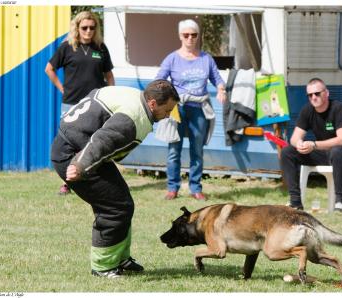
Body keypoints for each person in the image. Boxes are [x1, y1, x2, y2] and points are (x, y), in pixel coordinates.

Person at [50, 80, 180, 278]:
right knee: (115, 208)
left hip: (77, 146)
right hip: (76, 155)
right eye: (167, 110)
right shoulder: (133, 118)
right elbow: (103, 140)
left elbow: (95, 92)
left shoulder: (133, 95)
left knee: (123, 204)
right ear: (152, 103)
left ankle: (120, 258)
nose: (168, 115)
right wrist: (79, 165)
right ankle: (103, 267)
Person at [155, 19, 226, 201]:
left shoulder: (205, 59)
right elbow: (159, 79)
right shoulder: (172, 58)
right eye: (186, 35)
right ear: (180, 36)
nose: (190, 38)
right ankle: (172, 188)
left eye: (193, 35)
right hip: (177, 109)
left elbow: (217, 78)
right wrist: (163, 96)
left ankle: (195, 188)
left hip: (199, 108)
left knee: (197, 150)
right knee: (174, 150)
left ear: (198, 36)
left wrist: (221, 90)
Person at [45, 10, 114, 195]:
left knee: (94, 141)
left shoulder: (100, 48)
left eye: (92, 27)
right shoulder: (67, 47)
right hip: (72, 104)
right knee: (69, 144)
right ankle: (67, 182)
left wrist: (110, 94)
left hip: (96, 105)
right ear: (77, 27)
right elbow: (49, 69)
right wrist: (62, 89)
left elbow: (109, 75)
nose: (88, 31)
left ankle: (92, 178)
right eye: (84, 27)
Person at [280, 78, 342, 212]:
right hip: (323, 153)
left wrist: (314, 144)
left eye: (317, 93)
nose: (313, 97)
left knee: (337, 151)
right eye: (310, 95)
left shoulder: (339, 109)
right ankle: (295, 202)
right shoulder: (307, 110)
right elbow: (294, 138)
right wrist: (299, 144)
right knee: (287, 152)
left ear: (326, 93)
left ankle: (339, 202)